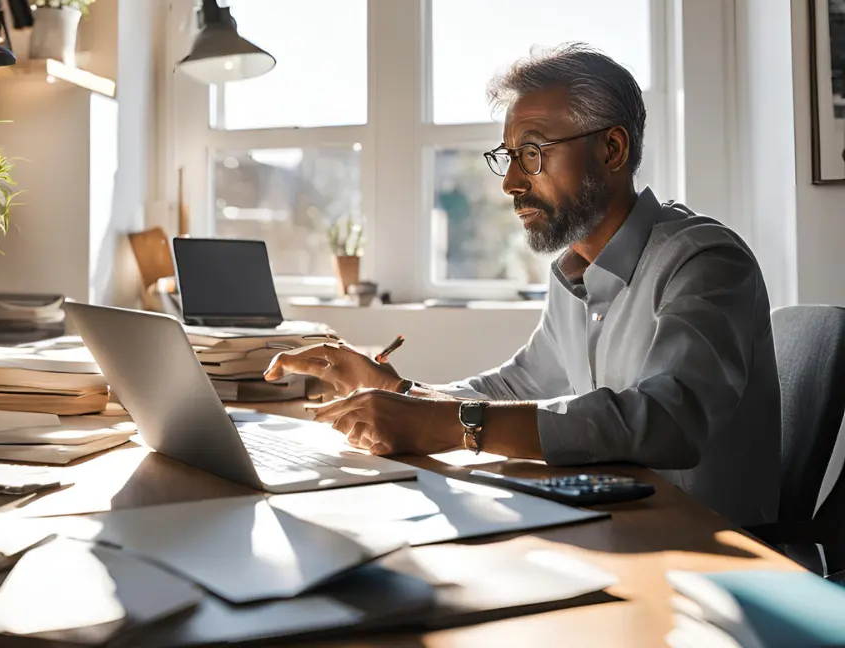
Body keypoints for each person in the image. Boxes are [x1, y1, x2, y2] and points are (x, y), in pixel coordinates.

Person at [266, 44, 780, 526]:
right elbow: (517, 389)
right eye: (507, 156)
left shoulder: (705, 261)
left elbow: (668, 419)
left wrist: (448, 426)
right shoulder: (575, 270)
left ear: (613, 148)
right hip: (614, 525)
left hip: (704, 552)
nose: (511, 182)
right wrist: (399, 391)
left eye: (532, 152)